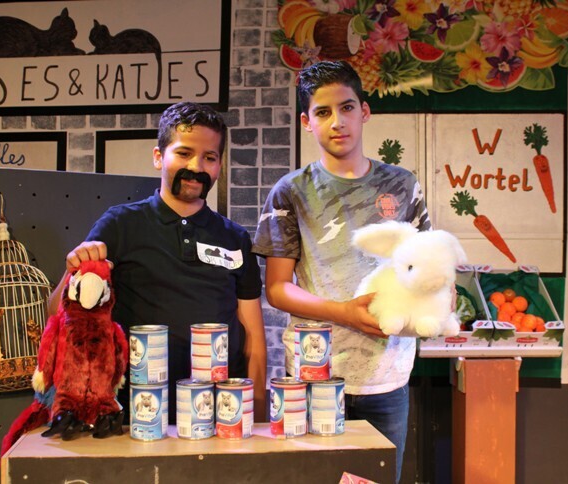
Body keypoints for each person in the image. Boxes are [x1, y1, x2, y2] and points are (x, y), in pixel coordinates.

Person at [252, 60, 430, 483]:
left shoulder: (403, 185)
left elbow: (424, 269)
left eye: (347, 108)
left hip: (386, 377)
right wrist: (345, 313)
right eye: (323, 112)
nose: (337, 122)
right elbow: (277, 289)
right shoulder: (290, 192)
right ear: (306, 122)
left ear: (364, 111)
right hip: (313, 374)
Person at [49, 101, 267, 424]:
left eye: (209, 157)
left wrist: (257, 416)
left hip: (220, 414)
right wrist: (75, 268)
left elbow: (254, 340)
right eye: (184, 153)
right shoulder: (119, 224)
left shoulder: (235, 237)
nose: (196, 166)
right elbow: (58, 311)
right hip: (136, 413)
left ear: (220, 165)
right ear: (158, 157)